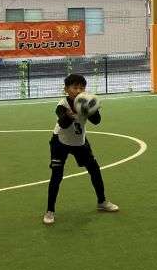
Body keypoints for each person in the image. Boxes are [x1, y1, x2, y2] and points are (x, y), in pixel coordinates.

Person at [43, 73, 118, 225]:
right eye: (75, 87)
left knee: (94, 170)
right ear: (66, 89)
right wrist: (69, 116)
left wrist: (92, 109)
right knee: (57, 175)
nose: (78, 91)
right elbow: (63, 123)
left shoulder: (86, 102)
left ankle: (102, 202)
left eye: (81, 88)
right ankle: (50, 211)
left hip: (80, 143)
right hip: (60, 142)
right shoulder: (62, 105)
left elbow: (96, 121)